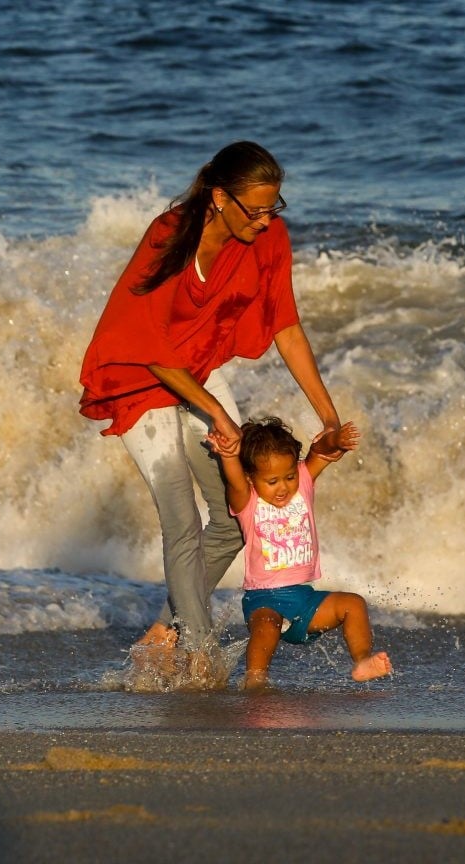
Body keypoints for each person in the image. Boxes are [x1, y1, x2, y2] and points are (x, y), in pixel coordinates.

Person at [78, 141, 348, 663]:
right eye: (257, 210)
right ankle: (200, 655)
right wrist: (218, 413)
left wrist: (328, 417)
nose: (267, 221)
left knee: (231, 515)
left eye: (275, 208)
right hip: (139, 377)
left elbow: (286, 327)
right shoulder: (169, 235)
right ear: (220, 197)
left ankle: (167, 626)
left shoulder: (268, 239)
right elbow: (149, 343)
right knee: (180, 519)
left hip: (197, 369)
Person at [207, 417, 392, 690]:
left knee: (353, 604)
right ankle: (255, 680)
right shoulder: (248, 501)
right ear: (251, 478)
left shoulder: (303, 483)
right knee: (268, 625)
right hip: (263, 599)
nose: (283, 487)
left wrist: (335, 441)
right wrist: (229, 456)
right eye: (272, 481)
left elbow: (319, 451)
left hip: (304, 600)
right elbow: (234, 480)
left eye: (289, 476)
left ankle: (362, 660)